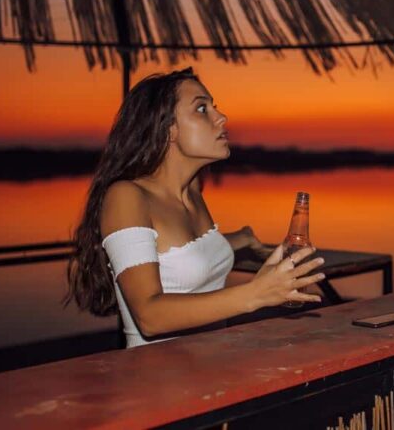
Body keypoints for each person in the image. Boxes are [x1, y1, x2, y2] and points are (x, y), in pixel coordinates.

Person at [65, 68, 324, 348]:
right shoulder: (127, 196)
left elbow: (184, 253)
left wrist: (243, 239)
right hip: (160, 370)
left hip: (214, 360)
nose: (221, 117)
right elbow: (149, 316)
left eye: (214, 107)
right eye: (202, 109)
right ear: (167, 129)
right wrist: (256, 293)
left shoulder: (192, 193)